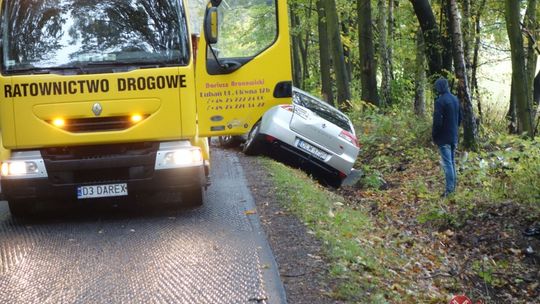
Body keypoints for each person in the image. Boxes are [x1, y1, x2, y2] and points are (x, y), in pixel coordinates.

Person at [432, 77, 461, 197]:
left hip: (444, 138)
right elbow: (460, 118)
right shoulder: (455, 99)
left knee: (448, 164)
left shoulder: (440, 101)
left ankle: (449, 191)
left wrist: (434, 135)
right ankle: (452, 189)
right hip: (454, 135)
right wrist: (455, 128)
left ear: (438, 88)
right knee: (452, 163)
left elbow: (437, 122)